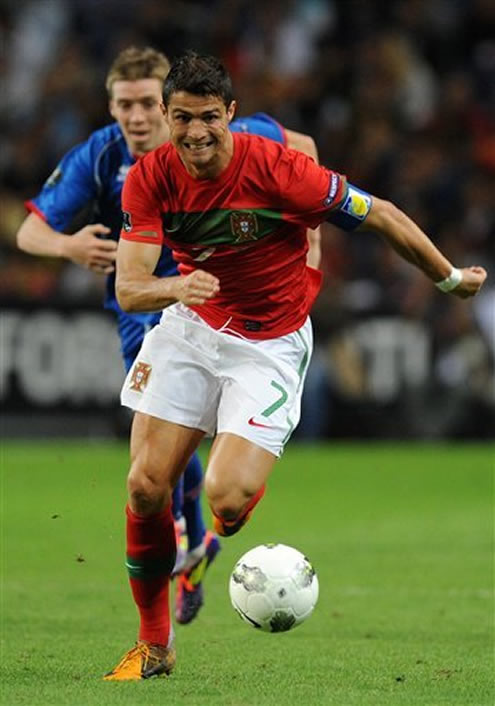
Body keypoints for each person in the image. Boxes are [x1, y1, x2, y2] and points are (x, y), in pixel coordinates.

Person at [104, 50, 487, 681]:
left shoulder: (281, 170)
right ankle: (154, 644)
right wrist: (178, 290)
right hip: (192, 327)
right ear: (167, 120)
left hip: (269, 340)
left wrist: (446, 278)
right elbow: (129, 287)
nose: (194, 133)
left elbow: (381, 214)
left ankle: (221, 515)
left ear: (231, 114)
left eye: (206, 117)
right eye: (180, 119)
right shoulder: (149, 178)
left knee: (227, 501)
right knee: (145, 487)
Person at [15, 46, 322, 626]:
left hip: (229, 308)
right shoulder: (100, 156)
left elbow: (301, 150)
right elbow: (31, 230)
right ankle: (194, 545)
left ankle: (198, 537)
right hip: (148, 311)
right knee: (157, 467)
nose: (137, 119)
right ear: (113, 106)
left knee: (187, 465)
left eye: (145, 106)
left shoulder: (215, 128)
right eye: (124, 105)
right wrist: (69, 245)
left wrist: (308, 237)